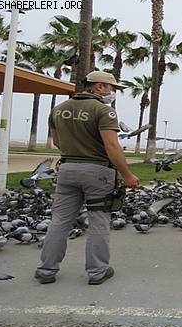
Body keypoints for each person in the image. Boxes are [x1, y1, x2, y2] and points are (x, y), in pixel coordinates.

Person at [34, 71, 140, 286]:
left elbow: (57, 141)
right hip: (98, 172)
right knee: (98, 222)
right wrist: (127, 175)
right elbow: (112, 146)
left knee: (60, 221)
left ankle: (46, 270)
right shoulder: (103, 111)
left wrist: (76, 153)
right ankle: (97, 271)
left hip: (67, 169)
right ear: (99, 87)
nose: (112, 93)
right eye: (111, 88)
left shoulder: (58, 109)